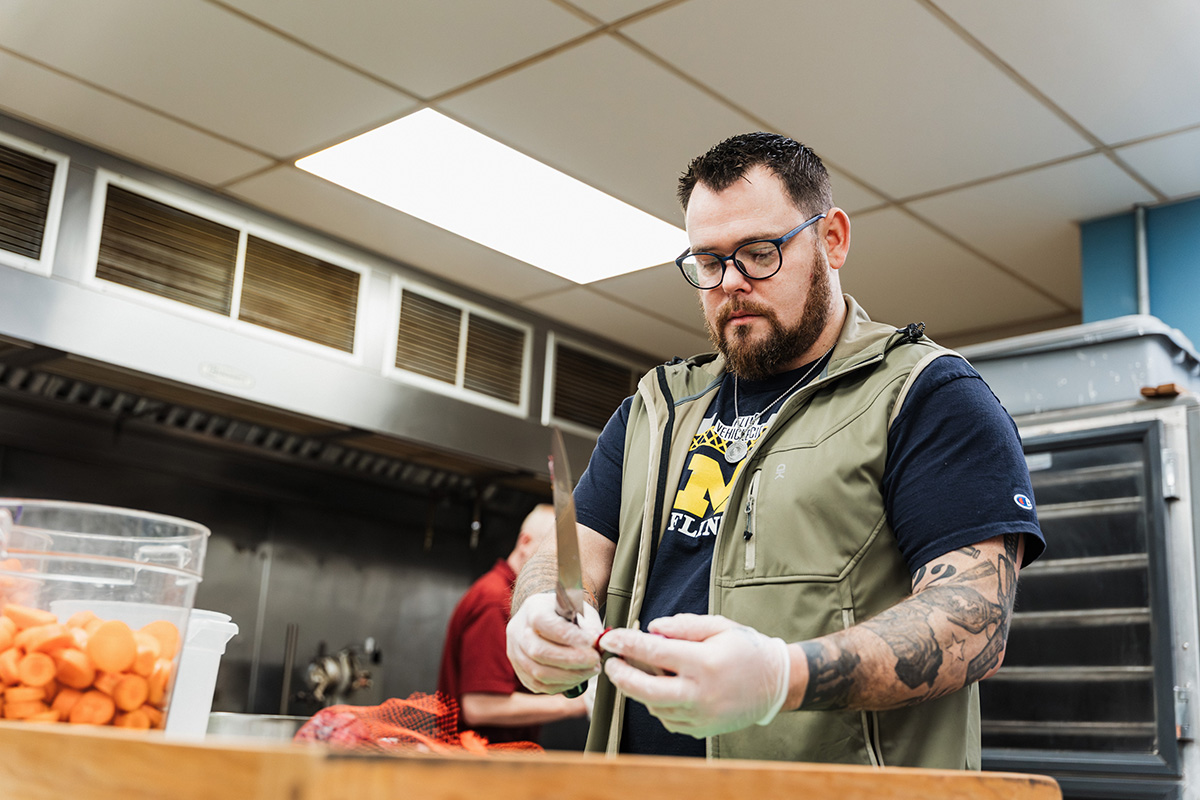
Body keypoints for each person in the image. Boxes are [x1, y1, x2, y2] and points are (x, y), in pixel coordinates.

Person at [506, 132, 1045, 767]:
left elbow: (972, 621)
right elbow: (569, 559)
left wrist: (781, 677)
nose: (731, 283)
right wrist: (541, 613)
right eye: (708, 262)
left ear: (833, 239)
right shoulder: (655, 409)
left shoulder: (925, 395)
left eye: (759, 253)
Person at [437, 504, 589, 744]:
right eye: (554, 554)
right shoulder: (494, 599)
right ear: (525, 542)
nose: (560, 567)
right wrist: (579, 703)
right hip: (477, 767)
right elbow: (479, 706)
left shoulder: (513, 599)